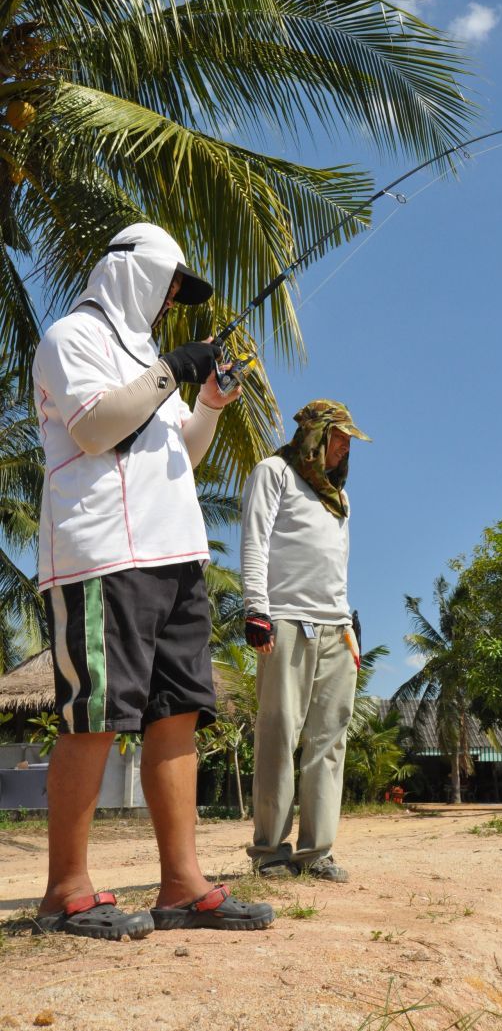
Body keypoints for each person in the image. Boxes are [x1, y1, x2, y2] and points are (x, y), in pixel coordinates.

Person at [32, 221, 274, 939]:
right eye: (172, 285)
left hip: (175, 559)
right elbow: (96, 429)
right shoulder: (69, 338)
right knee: (96, 717)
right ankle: (66, 890)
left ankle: (182, 884)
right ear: (139, 274)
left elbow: (178, 458)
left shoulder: (146, 361)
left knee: (177, 717)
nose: (174, 300)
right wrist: (172, 370)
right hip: (102, 558)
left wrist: (207, 406)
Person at [241, 399, 370, 882]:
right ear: (314, 436)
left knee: (329, 741)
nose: (343, 448)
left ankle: (316, 852)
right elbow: (254, 540)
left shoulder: (339, 498)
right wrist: (257, 608)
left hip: (336, 628)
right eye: (337, 438)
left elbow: (335, 564)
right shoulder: (273, 472)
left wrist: (349, 625)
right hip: (286, 621)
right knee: (278, 735)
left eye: (348, 442)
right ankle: (270, 851)